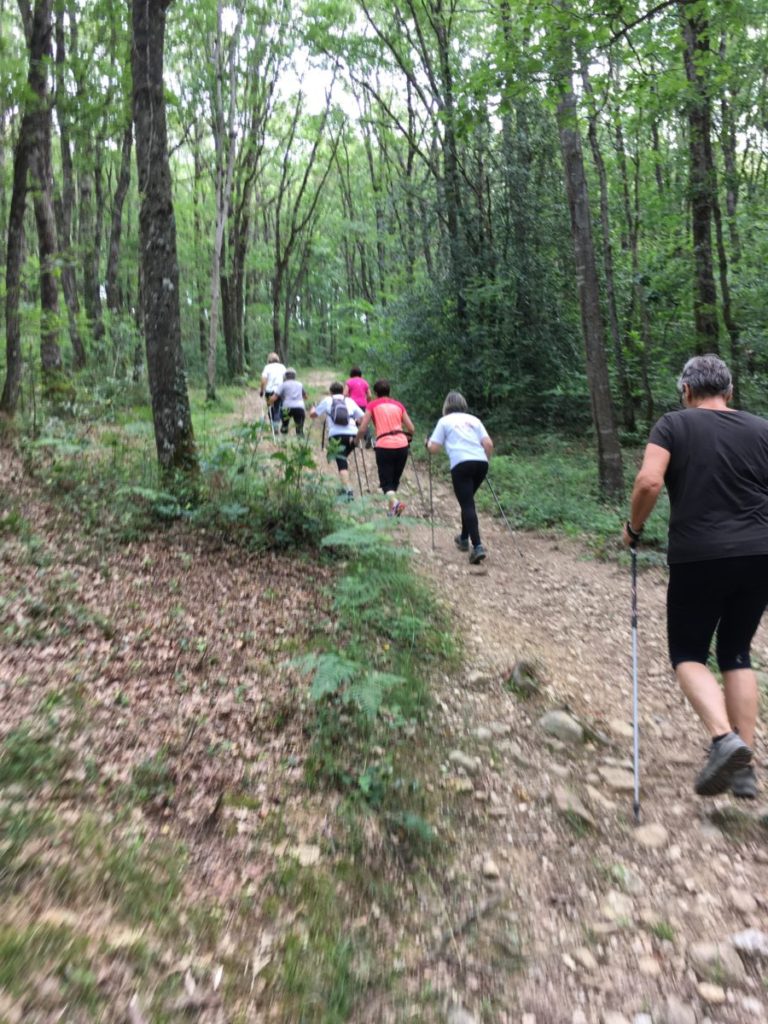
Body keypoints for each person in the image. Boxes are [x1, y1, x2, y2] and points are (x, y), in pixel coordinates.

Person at [623, 354, 768, 799]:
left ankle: (725, 740)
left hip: (700, 555)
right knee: (736, 652)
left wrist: (633, 529)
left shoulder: (673, 424)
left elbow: (649, 482)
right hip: (760, 552)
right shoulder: (762, 429)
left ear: (686, 391)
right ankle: (745, 771)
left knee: (688, 652)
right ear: (729, 392)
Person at [427, 390, 493, 564]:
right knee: (468, 501)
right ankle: (464, 538)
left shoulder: (444, 421)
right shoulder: (474, 420)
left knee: (467, 504)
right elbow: (488, 443)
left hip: (461, 464)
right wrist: (485, 460)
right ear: (463, 404)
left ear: (446, 406)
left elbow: (434, 449)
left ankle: (477, 546)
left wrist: (427, 443)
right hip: (481, 462)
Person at [356, 379, 415, 516]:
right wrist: (407, 437)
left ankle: (395, 504)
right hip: (402, 445)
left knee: (386, 482)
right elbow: (411, 428)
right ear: (389, 391)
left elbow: (363, 428)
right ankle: (392, 511)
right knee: (394, 480)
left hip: (384, 446)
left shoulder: (372, 405)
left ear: (375, 393)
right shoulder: (398, 405)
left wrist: (356, 440)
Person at [310, 382, 364, 500]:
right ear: (342, 391)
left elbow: (313, 415)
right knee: (343, 458)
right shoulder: (350, 401)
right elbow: (362, 417)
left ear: (331, 391)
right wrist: (356, 424)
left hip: (336, 435)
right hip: (352, 435)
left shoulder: (327, 400)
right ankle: (344, 485)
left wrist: (313, 408)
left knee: (341, 464)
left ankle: (348, 491)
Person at [270, 367, 308, 436]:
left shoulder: (283, 385)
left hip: (287, 408)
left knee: (284, 426)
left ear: (285, 376)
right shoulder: (300, 384)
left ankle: (283, 441)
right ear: (295, 376)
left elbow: (274, 397)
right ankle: (301, 443)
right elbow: (305, 397)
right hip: (299, 408)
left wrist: (269, 401)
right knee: (299, 428)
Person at [344, 367, 373, 448]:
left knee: (352, 420)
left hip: (352, 404)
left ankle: (354, 439)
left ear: (351, 374)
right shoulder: (365, 382)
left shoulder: (349, 382)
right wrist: (367, 403)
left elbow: (345, 394)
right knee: (363, 421)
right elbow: (369, 395)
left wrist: (346, 401)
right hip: (363, 404)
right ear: (360, 374)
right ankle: (368, 437)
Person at [260, 352, 285, 427]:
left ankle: (273, 424)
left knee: (270, 407)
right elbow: (286, 378)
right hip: (280, 391)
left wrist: (262, 390)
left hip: (269, 391)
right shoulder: (282, 367)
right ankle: (276, 424)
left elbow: (263, 380)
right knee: (278, 407)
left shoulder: (267, 367)